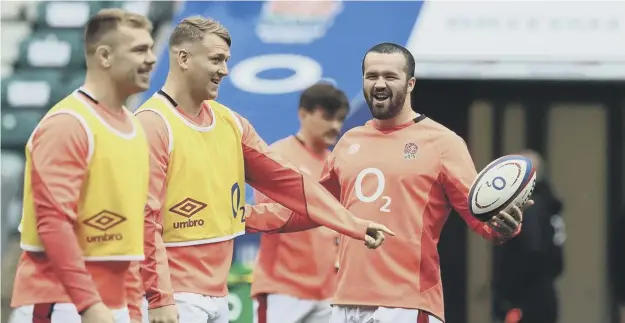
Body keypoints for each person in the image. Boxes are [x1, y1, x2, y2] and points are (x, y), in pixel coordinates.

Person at [133, 16, 392, 323]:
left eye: (226, 61)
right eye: (216, 60)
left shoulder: (230, 122)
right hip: (175, 297)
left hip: (218, 295)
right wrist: (160, 298)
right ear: (183, 58)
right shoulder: (153, 123)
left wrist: (351, 223)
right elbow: (143, 222)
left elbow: (289, 182)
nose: (224, 70)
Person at [250, 42, 533, 323]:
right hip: (345, 303)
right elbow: (314, 206)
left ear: (410, 84)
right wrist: (243, 217)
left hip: (406, 304)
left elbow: (480, 216)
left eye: (390, 76)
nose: (379, 84)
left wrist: (505, 227)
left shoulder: (443, 143)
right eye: (371, 76)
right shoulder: (350, 141)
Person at [9, 9, 156, 323]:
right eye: (140, 50)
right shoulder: (68, 124)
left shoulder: (132, 128)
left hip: (108, 306)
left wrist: (131, 308)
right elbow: (52, 223)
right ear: (104, 55)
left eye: (151, 48)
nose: (152, 59)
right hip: (61, 304)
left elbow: (127, 236)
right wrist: (89, 305)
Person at [251, 83, 349, 323]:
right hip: (282, 289)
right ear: (303, 114)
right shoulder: (278, 156)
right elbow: (268, 216)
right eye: (327, 117)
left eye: (340, 119)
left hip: (329, 292)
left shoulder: (339, 165)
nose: (335, 126)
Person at [492, 150, 564, 323]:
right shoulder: (550, 207)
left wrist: (507, 294)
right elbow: (558, 263)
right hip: (545, 295)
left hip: (524, 301)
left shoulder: (530, 208)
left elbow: (531, 253)